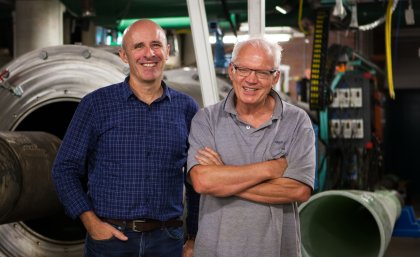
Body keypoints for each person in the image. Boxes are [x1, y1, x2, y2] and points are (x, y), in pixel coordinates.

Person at [52, 19, 199, 257]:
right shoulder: (96, 105)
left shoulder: (186, 108)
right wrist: (90, 223)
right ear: (123, 55)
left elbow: (196, 180)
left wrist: (193, 237)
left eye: (156, 45)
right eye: (138, 46)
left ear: (167, 51)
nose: (148, 54)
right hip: (110, 240)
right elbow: (64, 169)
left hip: (167, 240)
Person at [187, 37, 316, 257]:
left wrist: (224, 177)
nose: (251, 79)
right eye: (243, 69)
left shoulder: (296, 121)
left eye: (262, 72)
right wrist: (269, 170)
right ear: (231, 70)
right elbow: (202, 182)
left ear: (275, 77)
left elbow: (299, 190)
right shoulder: (206, 119)